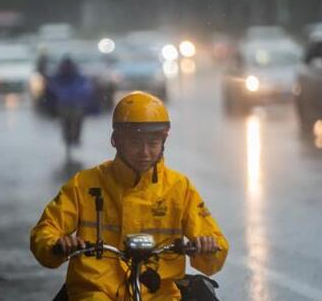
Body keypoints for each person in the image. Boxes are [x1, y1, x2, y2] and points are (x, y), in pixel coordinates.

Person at [30, 91, 228, 301]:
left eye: (153, 143)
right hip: (95, 292)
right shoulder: (84, 184)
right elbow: (45, 231)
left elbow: (217, 245)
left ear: (163, 141)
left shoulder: (180, 187)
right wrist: (58, 245)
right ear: (116, 140)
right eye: (135, 142)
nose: (145, 152)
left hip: (160, 294)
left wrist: (207, 247)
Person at [46, 57, 95, 158]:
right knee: (76, 122)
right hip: (74, 103)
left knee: (67, 123)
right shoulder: (77, 76)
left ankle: (69, 140)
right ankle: (74, 139)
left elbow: (52, 87)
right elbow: (86, 88)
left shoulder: (60, 76)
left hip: (64, 103)